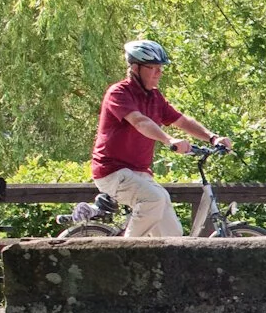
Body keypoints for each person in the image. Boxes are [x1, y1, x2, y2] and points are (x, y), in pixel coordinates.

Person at [90, 40, 230, 238]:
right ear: (135, 68)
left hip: (139, 173)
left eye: (161, 68)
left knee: (172, 233)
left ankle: (160, 266)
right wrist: (169, 140)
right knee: (154, 199)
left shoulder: (155, 97)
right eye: (153, 67)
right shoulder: (119, 93)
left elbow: (182, 121)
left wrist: (212, 137)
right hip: (112, 172)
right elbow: (139, 121)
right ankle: (124, 254)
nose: (159, 72)